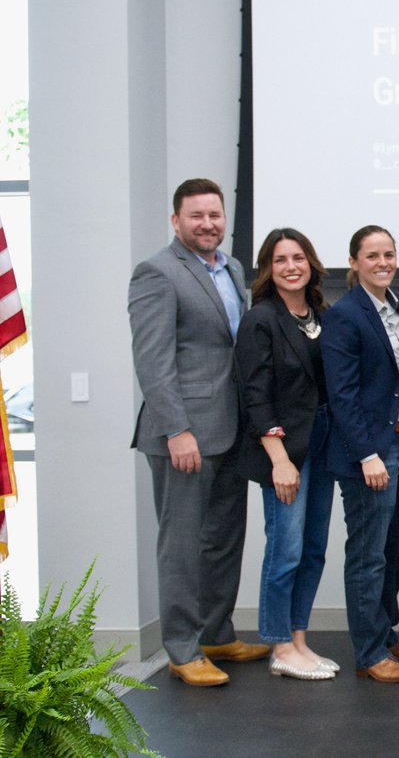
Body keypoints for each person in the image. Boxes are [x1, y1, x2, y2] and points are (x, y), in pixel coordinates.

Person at [129, 178, 267, 687]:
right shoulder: (157, 273)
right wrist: (177, 430)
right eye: (196, 216)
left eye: (215, 215)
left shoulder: (230, 268)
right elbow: (153, 362)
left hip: (231, 431)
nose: (208, 224)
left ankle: (215, 633)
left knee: (224, 539)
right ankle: (183, 648)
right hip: (183, 436)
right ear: (176, 221)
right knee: (182, 544)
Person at [321, 225, 399, 683]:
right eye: (372, 256)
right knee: (367, 554)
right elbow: (342, 395)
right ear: (354, 263)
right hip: (369, 455)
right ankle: (369, 654)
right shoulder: (344, 315)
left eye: (389, 254)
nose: (383, 262)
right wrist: (367, 455)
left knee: (396, 547)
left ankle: (385, 633)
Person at [234, 228, 337, 680]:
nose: (291, 266)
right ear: (267, 269)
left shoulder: (321, 315)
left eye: (298, 257)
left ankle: (298, 640)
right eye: (280, 260)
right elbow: (255, 396)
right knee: (286, 550)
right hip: (285, 453)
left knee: (313, 550)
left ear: (310, 262)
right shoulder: (261, 319)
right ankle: (278, 644)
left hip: (322, 446)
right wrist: (279, 460)